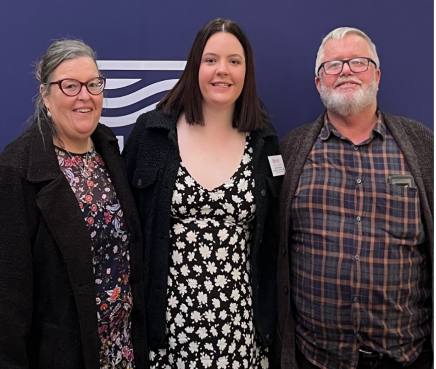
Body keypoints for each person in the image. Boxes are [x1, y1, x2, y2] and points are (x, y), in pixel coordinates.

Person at [123, 18, 280, 369]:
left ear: (247, 71)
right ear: (195, 66)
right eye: (211, 60)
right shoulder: (152, 134)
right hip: (166, 337)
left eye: (234, 61)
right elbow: (127, 227)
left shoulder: (264, 142)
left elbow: (271, 243)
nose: (221, 70)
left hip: (241, 337)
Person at [276, 27, 433, 369]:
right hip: (315, 359)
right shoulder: (291, 149)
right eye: (333, 65)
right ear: (319, 83)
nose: (346, 70)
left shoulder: (423, 146)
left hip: (406, 357)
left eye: (358, 62)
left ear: (377, 74)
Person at [0, 40, 147, 369]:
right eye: (70, 86)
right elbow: (9, 302)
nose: (85, 96)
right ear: (45, 93)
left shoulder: (107, 148)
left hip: (122, 350)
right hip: (64, 354)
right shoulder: (17, 169)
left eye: (93, 84)